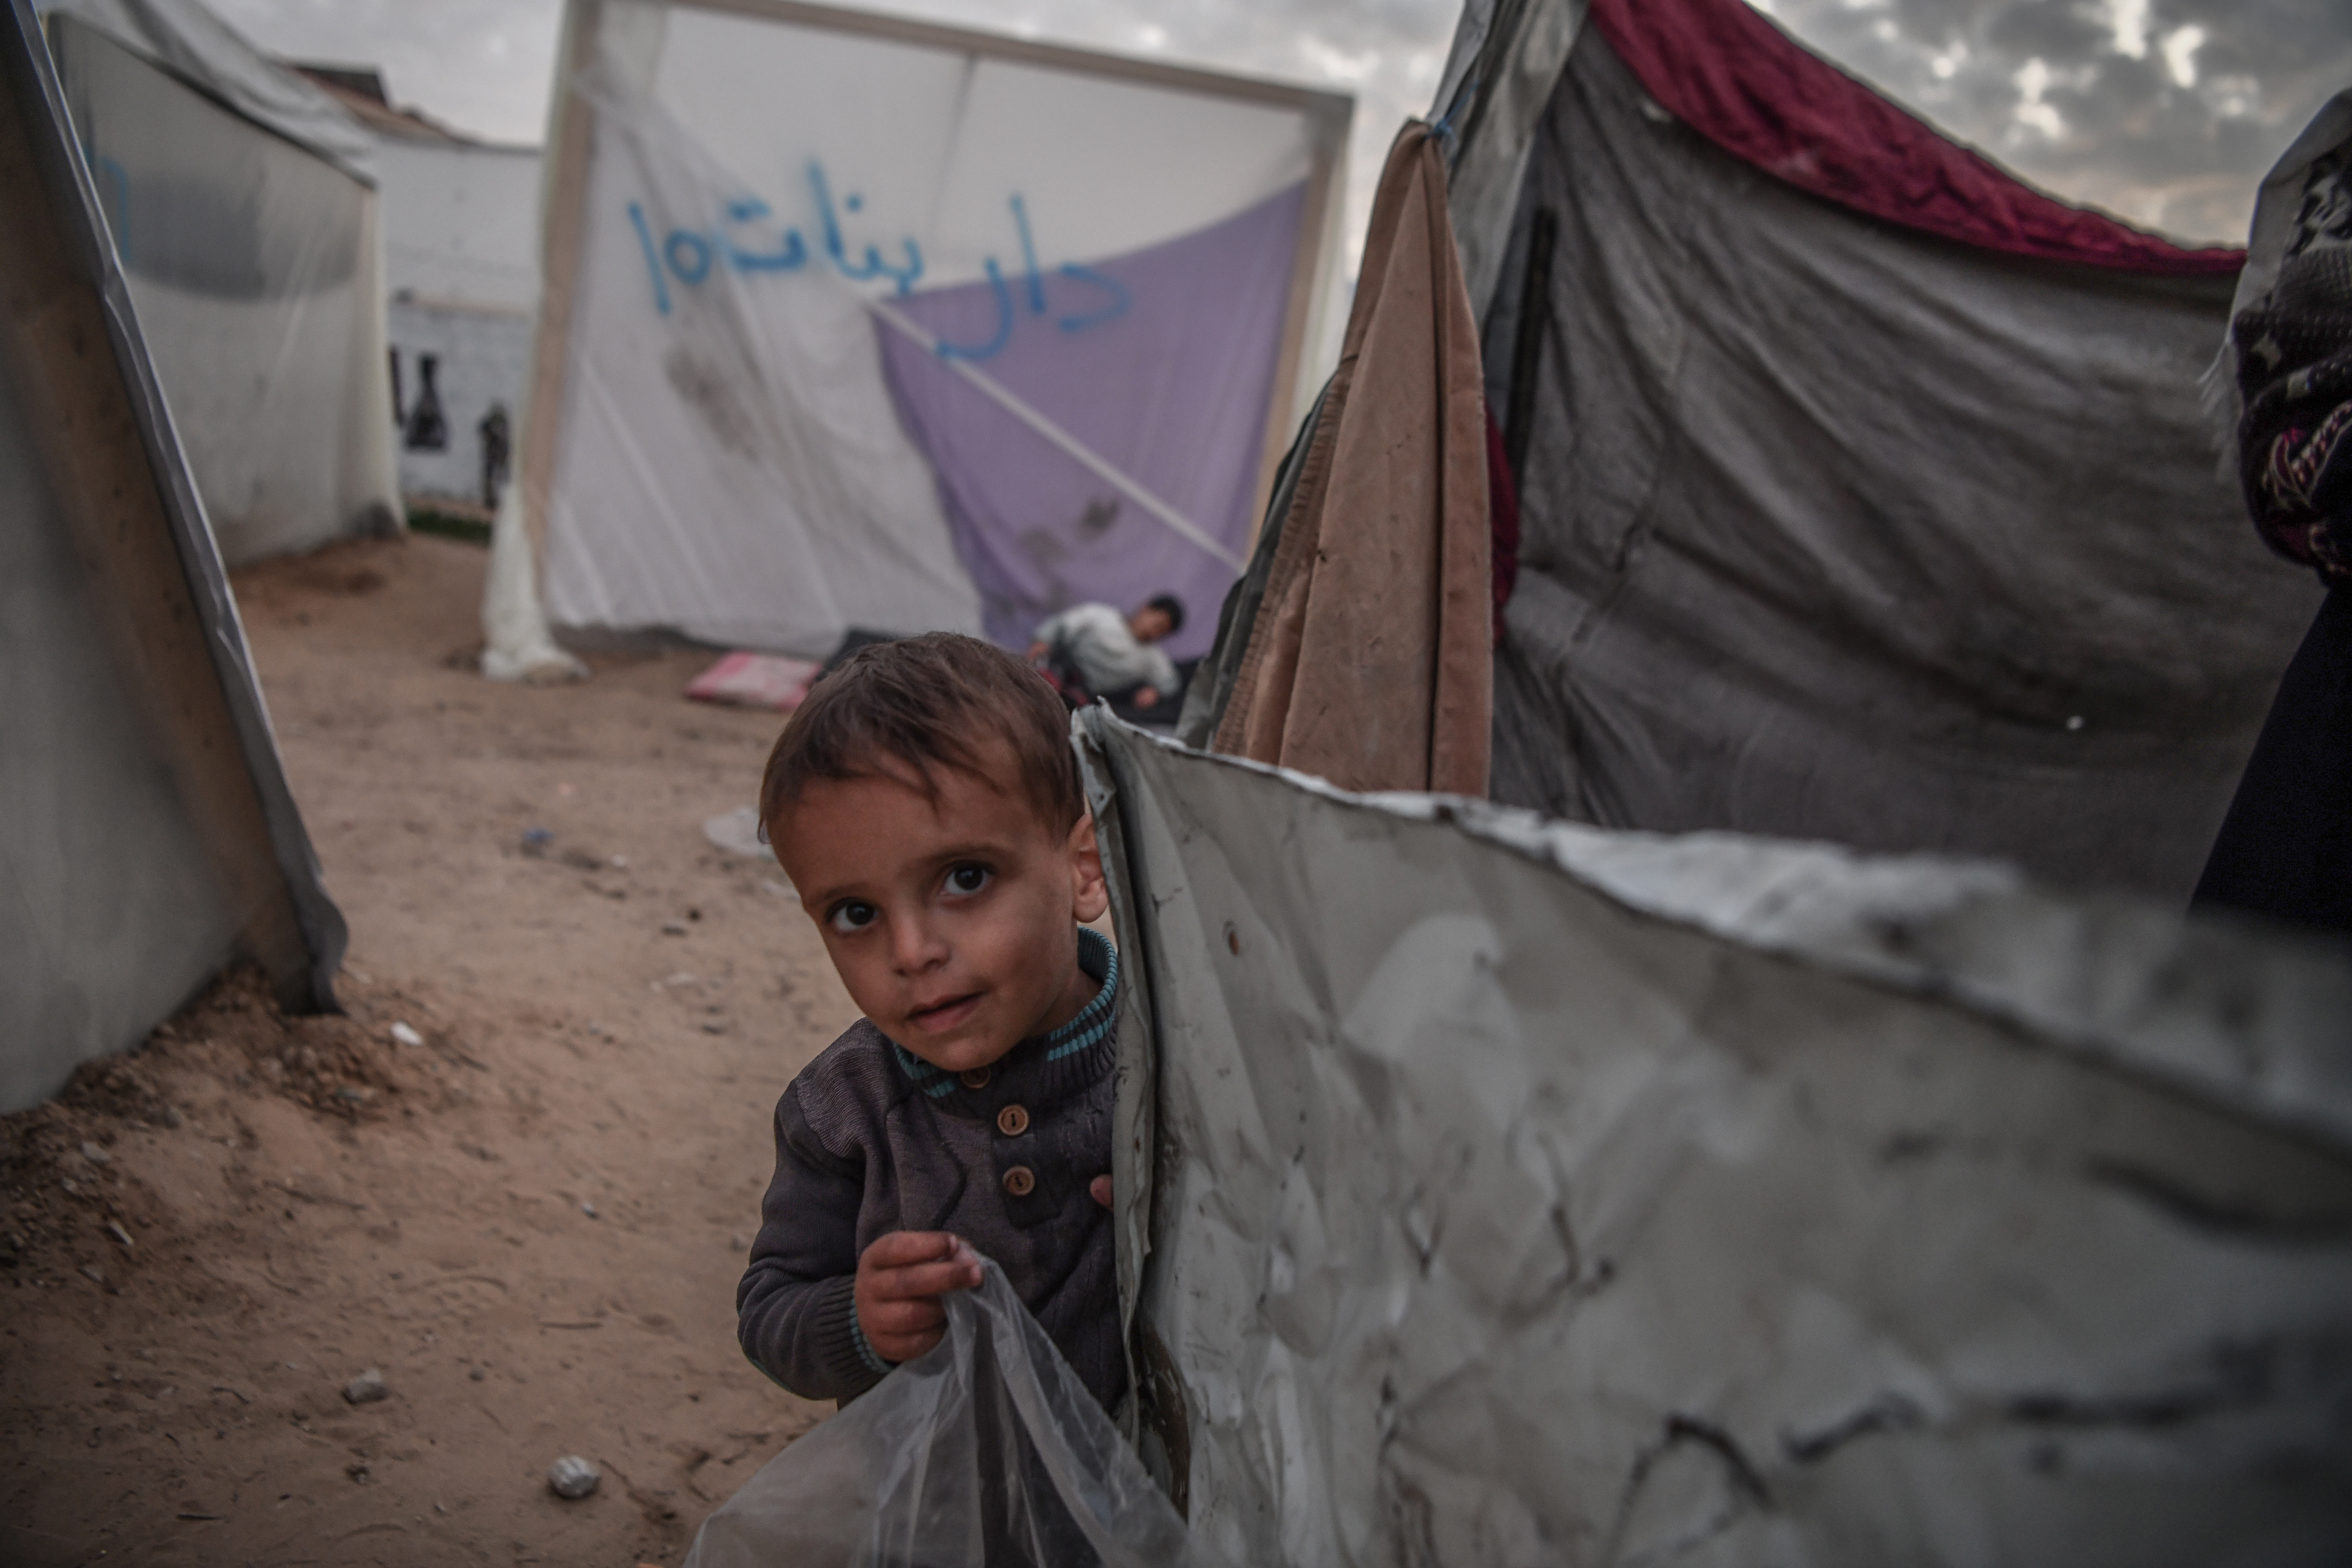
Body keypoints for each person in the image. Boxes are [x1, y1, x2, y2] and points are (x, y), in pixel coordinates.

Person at [736, 632, 1126, 1415]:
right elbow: (770, 1313)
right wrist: (860, 1322)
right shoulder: (839, 1112)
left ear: (1084, 867)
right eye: (856, 914)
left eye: (966, 878)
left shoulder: (1176, 1062)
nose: (910, 953)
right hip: (936, 1519)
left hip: (1145, 1508)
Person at [1028, 594, 1185, 713]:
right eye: (1158, 625)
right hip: (1054, 669)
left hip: (1080, 697)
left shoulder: (1153, 659)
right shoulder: (1101, 616)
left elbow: (1171, 683)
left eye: (1163, 633)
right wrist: (1043, 641)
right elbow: (1061, 625)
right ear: (1146, 608)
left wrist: (1155, 691)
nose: (1156, 634)